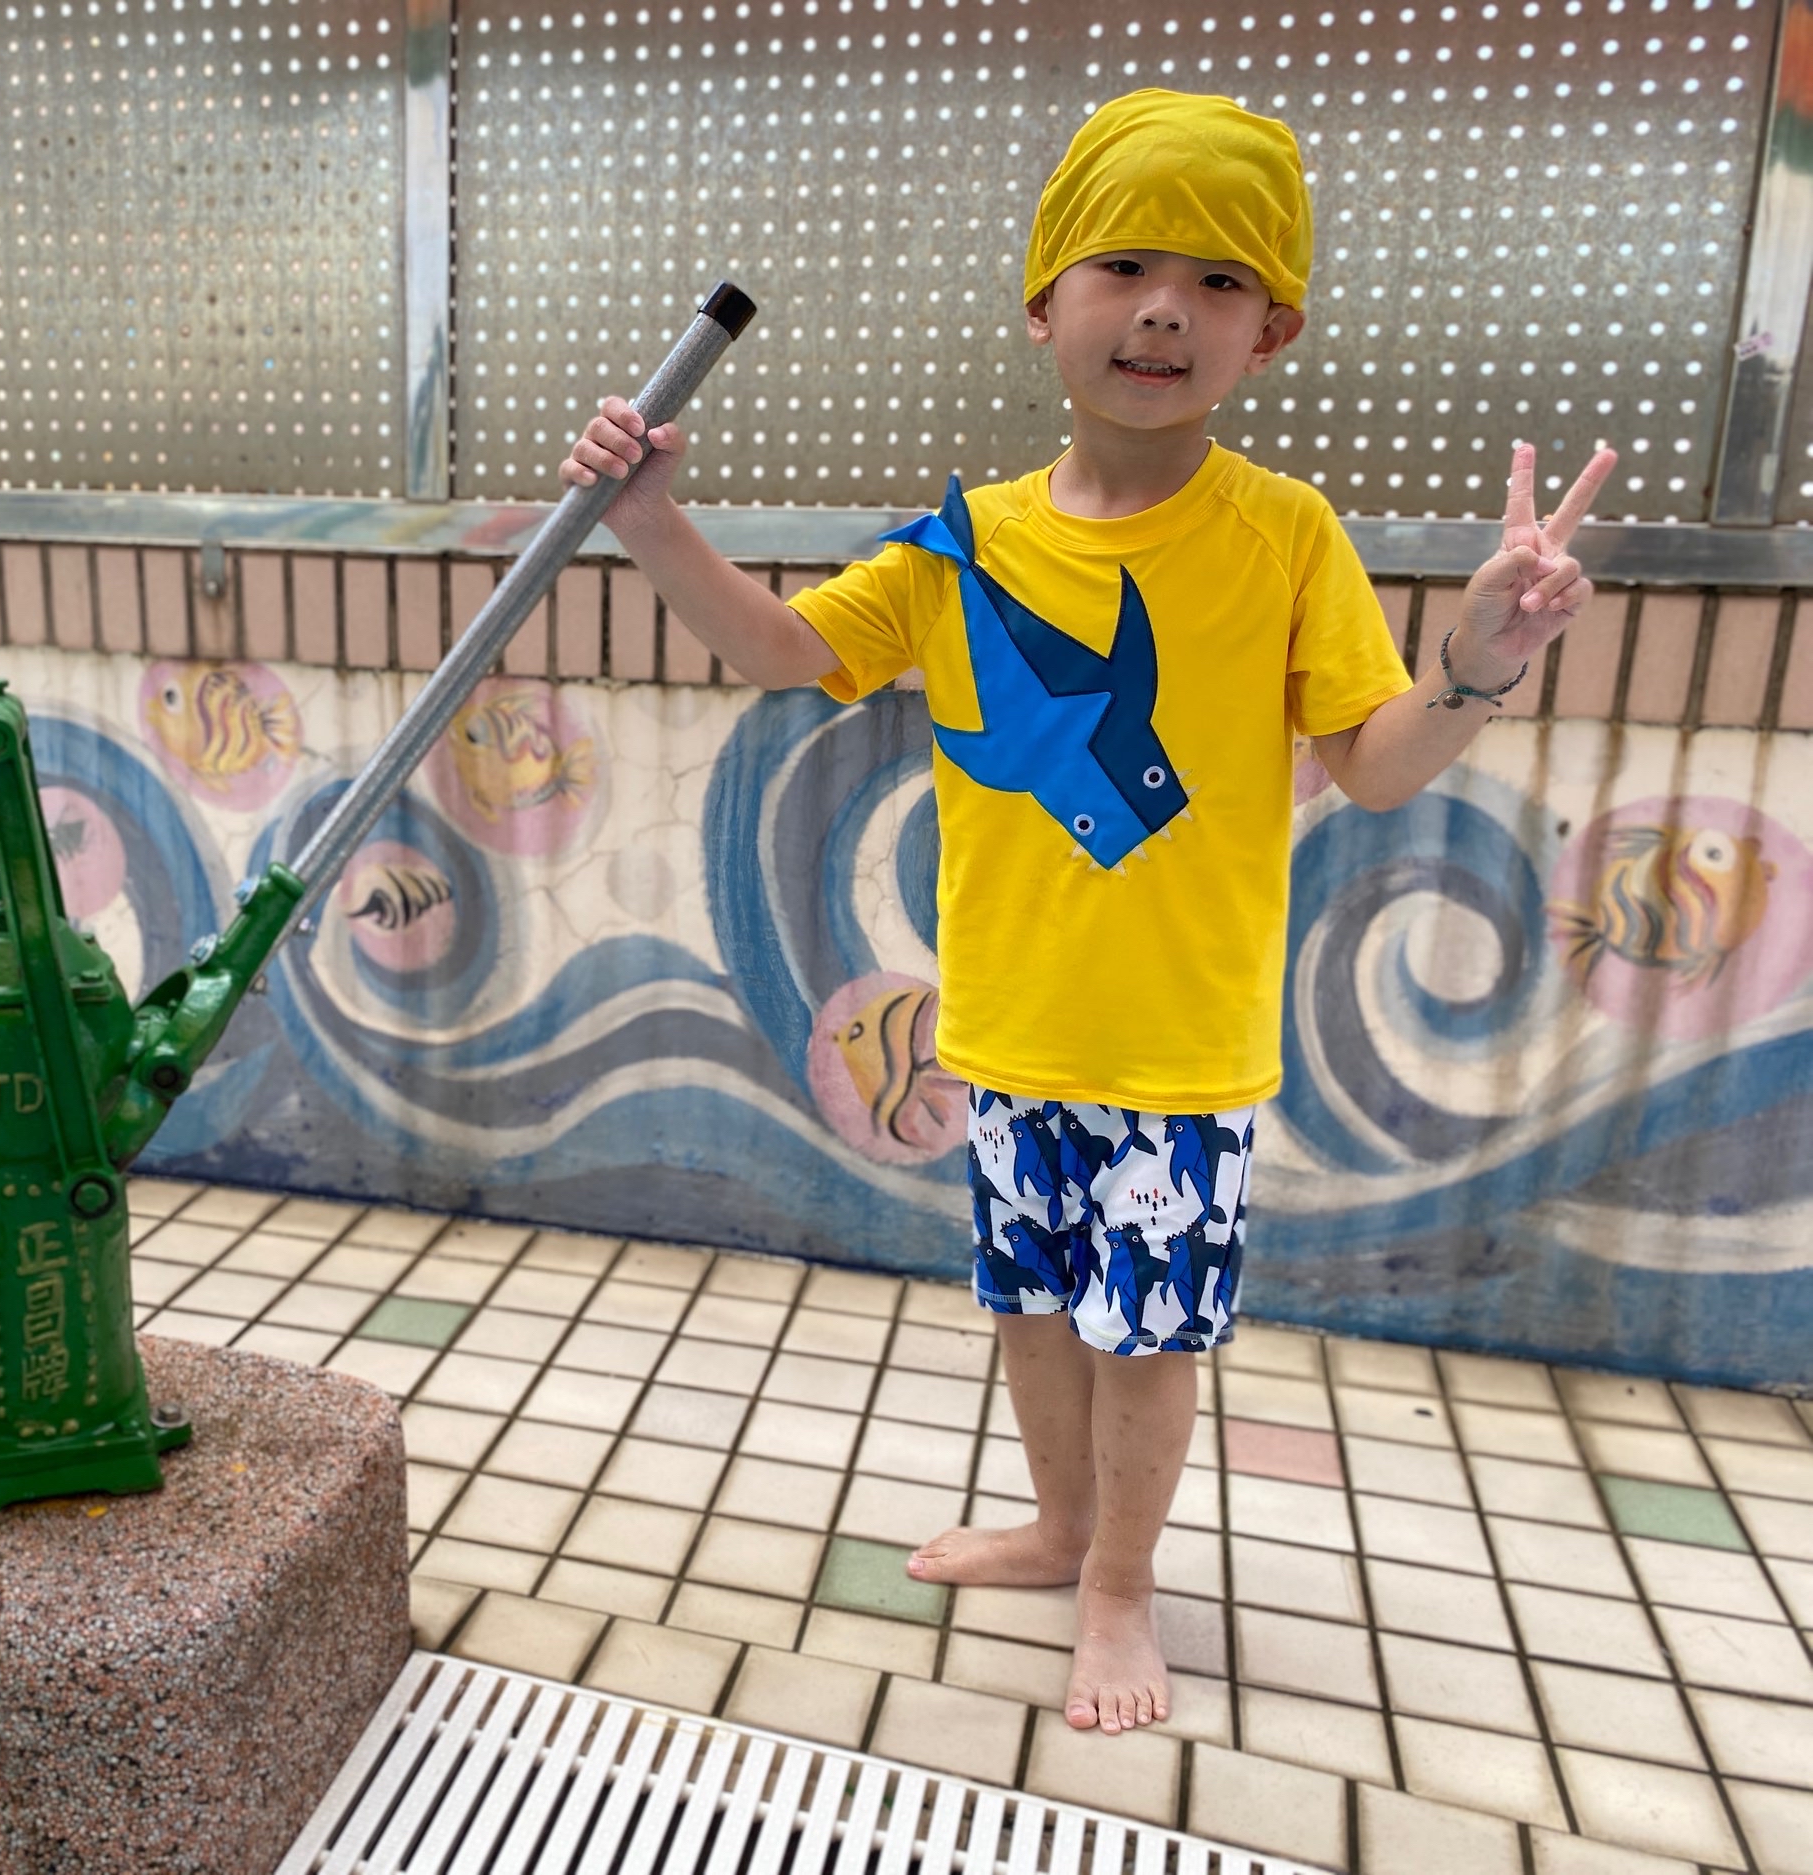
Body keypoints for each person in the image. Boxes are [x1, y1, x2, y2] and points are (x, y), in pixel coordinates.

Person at [562, 88, 1616, 1737]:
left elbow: (1376, 766)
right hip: (1008, 1031)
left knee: (1146, 1340)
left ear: (1271, 333)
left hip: (1181, 1057)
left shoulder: (1284, 535)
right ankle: (1060, 1533)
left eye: (1218, 281)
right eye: (1125, 265)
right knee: (1037, 1311)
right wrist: (648, 521)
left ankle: (1120, 1585)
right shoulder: (963, 545)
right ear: (1043, 304)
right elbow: (786, 652)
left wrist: (1476, 664)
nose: (1165, 310)